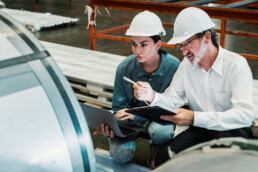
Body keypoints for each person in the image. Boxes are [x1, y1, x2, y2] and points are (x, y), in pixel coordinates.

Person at [133, 7, 255, 167]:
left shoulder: (235, 66)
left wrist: (193, 118)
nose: (184, 52)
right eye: (180, 46)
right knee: (165, 158)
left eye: (188, 43)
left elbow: (245, 115)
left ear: (207, 36)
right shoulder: (187, 66)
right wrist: (151, 96)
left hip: (232, 129)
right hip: (202, 128)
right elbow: (172, 99)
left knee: (216, 163)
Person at [93, 11, 180, 168]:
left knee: (162, 131)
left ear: (158, 45)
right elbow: (119, 109)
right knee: (120, 155)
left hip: (157, 123)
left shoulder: (174, 68)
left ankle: (156, 154)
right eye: (134, 44)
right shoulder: (124, 68)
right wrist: (111, 125)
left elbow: (170, 111)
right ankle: (127, 153)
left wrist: (134, 116)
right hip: (129, 124)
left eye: (144, 44)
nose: (137, 51)